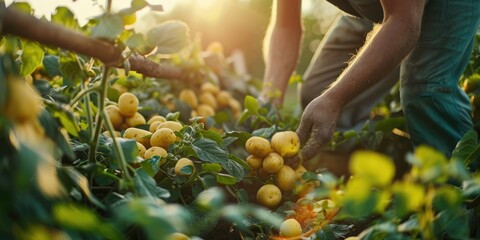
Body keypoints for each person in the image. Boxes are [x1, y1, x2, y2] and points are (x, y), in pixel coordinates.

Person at [259, 0, 480, 165]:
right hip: (384, 7)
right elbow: (285, 26)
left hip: (437, 6)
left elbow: (404, 23)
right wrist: (269, 99)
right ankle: (346, 187)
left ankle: (464, 200)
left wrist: (334, 99)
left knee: (425, 90)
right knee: (318, 89)